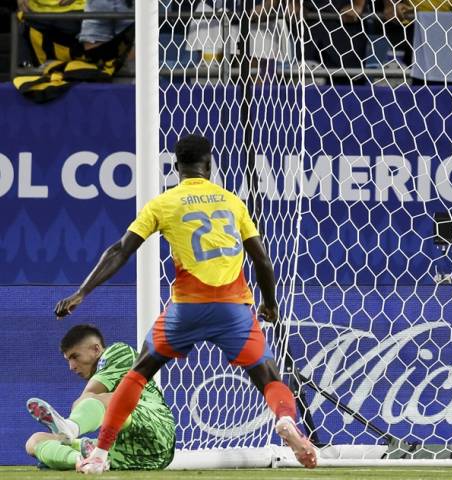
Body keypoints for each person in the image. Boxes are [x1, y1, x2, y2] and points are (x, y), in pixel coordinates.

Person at [55, 134, 317, 473]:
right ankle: (283, 419)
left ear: (176, 167)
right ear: (209, 165)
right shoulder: (232, 202)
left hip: (186, 309)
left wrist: (82, 293)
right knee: (268, 375)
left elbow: (120, 250)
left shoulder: (163, 203)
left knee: (138, 374)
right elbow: (262, 261)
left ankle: (100, 454)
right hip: (232, 308)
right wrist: (270, 304)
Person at [25, 324, 175, 471]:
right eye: (68, 360)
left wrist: (70, 427)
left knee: (110, 399)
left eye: (75, 356)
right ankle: (82, 461)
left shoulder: (118, 351)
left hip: (157, 429)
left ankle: (70, 429)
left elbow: (85, 401)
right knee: (34, 441)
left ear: (96, 349)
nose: (72, 366)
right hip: (131, 453)